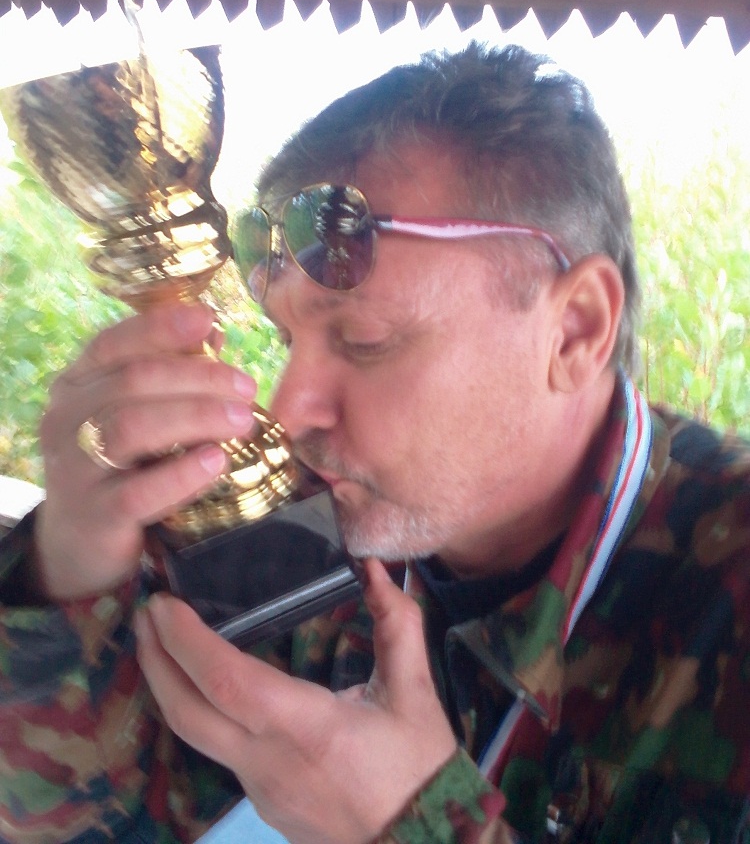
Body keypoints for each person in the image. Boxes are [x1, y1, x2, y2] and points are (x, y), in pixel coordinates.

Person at [1, 43, 748, 844]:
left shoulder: (725, 591)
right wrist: (70, 563)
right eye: (286, 340)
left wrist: (410, 827)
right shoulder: (307, 527)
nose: (290, 413)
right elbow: (102, 822)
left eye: (364, 341)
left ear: (575, 329)